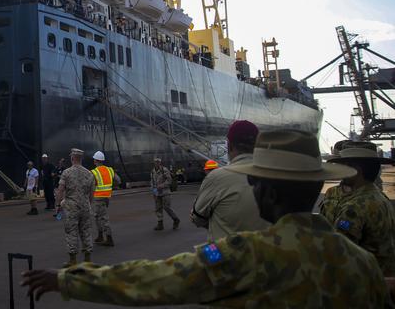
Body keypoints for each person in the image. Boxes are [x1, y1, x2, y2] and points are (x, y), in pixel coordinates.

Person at [21, 129, 388, 307]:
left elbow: (158, 279)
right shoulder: (362, 262)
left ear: (271, 193)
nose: (254, 189)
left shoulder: (248, 253)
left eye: (256, 183)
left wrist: (68, 281)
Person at [322, 140, 395, 275]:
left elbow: (338, 253)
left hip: (361, 281)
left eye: (346, 166)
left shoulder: (354, 207)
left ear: (356, 171)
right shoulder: (379, 198)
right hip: (380, 279)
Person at [190, 120, 268, 241]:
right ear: (258, 145)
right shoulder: (277, 176)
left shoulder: (216, 177)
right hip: (268, 255)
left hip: (228, 257)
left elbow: (197, 218)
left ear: (229, 145)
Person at [56, 148, 95, 266]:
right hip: (85, 207)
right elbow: (92, 193)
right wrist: (87, 204)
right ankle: (88, 259)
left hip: (71, 207)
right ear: (81, 159)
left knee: (71, 232)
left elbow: (60, 190)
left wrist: (58, 205)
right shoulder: (89, 173)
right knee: (86, 231)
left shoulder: (66, 172)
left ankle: (73, 260)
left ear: (72, 158)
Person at [90, 151, 120, 247]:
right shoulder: (110, 170)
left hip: (98, 197)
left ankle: (108, 238)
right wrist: (111, 187)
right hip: (106, 197)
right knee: (99, 217)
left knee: (101, 218)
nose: (93, 160)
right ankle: (101, 236)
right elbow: (118, 180)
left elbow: (90, 185)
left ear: (97, 160)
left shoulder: (94, 172)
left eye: (94, 159)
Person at [150, 157, 179, 230]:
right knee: (158, 208)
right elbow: (152, 181)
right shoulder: (153, 171)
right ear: (154, 162)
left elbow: (169, 180)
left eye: (158, 162)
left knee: (167, 207)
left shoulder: (164, 170)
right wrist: (153, 190)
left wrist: (161, 186)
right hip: (157, 193)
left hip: (165, 192)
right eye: (155, 162)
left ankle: (176, 219)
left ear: (160, 162)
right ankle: (160, 224)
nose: (157, 163)